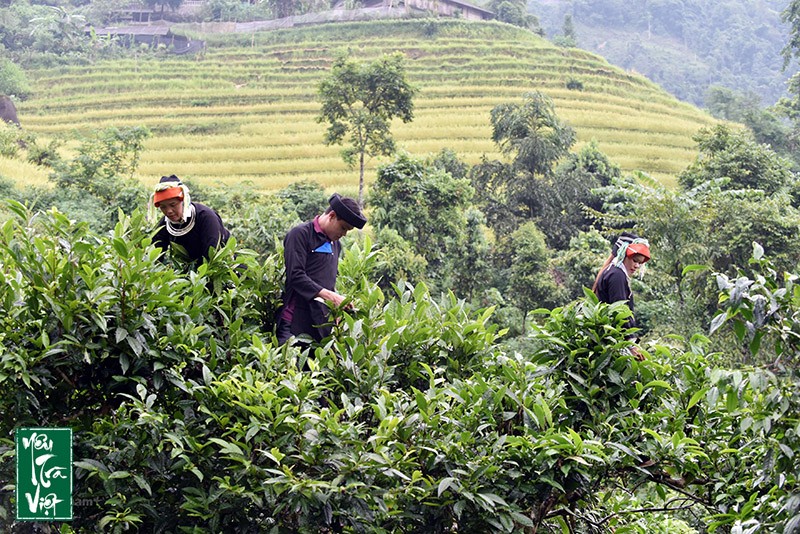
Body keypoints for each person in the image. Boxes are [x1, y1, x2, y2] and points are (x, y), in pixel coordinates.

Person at [276, 193, 366, 344]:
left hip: (320, 325)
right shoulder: (300, 234)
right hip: (294, 324)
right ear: (331, 216)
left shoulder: (335, 244)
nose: (343, 234)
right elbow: (296, 276)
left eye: (347, 231)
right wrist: (332, 297)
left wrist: (335, 309)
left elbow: (326, 281)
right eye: (343, 228)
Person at [592, 232, 651, 360]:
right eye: (634, 260)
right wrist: (632, 346)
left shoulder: (614, 272)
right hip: (613, 342)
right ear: (624, 254)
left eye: (640, 263)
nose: (636, 266)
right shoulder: (617, 276)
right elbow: (619, 313)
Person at [149, 175, 231, 264]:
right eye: (163, 207)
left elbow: (212, 256)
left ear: (184, 201)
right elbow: (154, 257)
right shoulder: (165, 224)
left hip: (224, 267)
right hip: (190, 271)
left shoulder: (206, 218)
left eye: (173, 205)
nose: (168, 211)